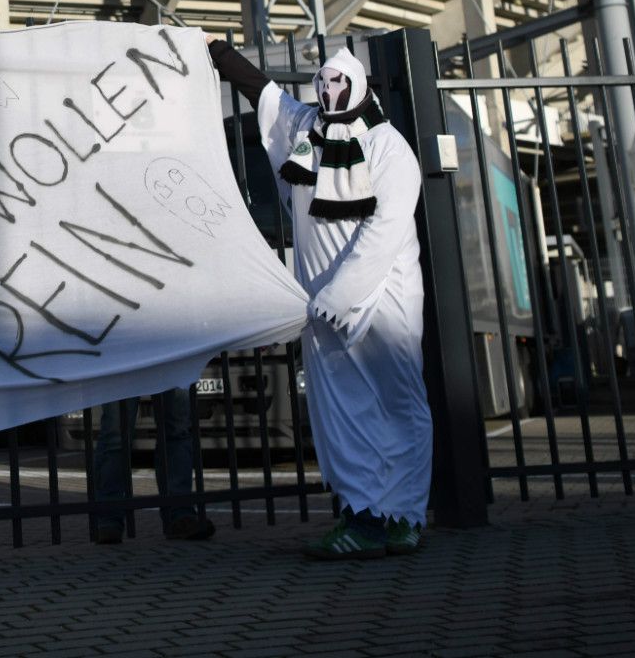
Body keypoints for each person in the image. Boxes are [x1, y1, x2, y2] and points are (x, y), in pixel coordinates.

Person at [210, 41, 431, 560]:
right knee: (342, 412)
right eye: (323, 83)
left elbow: (386, 228)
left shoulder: (388, 148)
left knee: (399, 405)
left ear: (356, 86)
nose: (329, 92)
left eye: (338, 84)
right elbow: (263, 95)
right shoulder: (305, 129)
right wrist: (216, 51)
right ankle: (364, 516)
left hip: (383, 301)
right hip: (322, 309)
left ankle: (406, 514)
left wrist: (346, 291)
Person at [89, 389, 213, 543]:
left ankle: (179, 514)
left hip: (157, 365)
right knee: (117, 432)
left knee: (176, 428)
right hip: (130, 365)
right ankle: (108, 518)